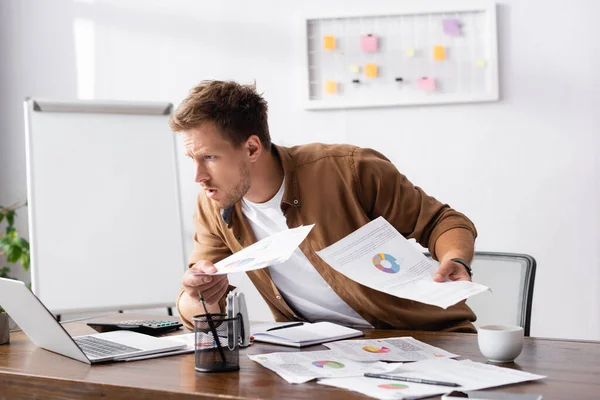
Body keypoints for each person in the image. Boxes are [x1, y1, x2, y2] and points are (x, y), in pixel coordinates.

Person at [170, 80, 478, 332]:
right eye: (192, 160)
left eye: (209, 157)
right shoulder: (214, 203)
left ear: (252, 147)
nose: (198, 176)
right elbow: (195, 306)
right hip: (320, 353)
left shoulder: (349, 170)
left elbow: (443, 221)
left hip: (425, 339)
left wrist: (456, 259)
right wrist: (199, 296)